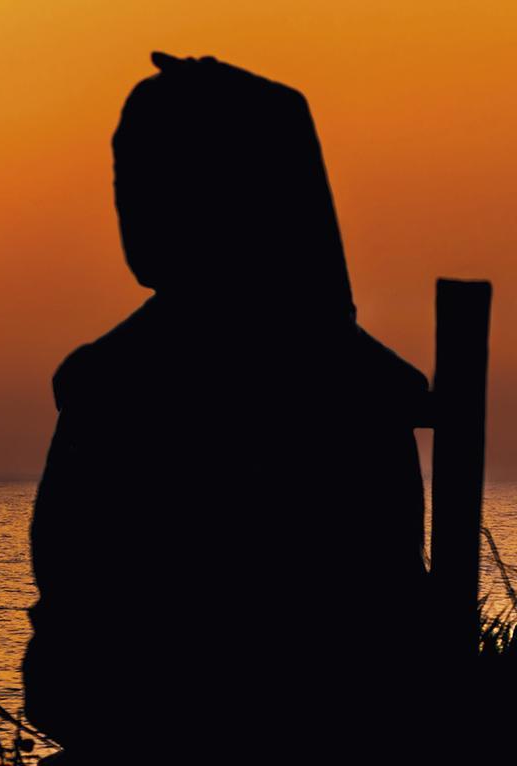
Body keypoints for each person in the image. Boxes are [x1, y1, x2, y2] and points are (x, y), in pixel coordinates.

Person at [22, 53, 430, 759]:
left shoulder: (125, 388)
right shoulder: (353, 380)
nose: (127, 201)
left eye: (155, 175)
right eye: (124, 174)